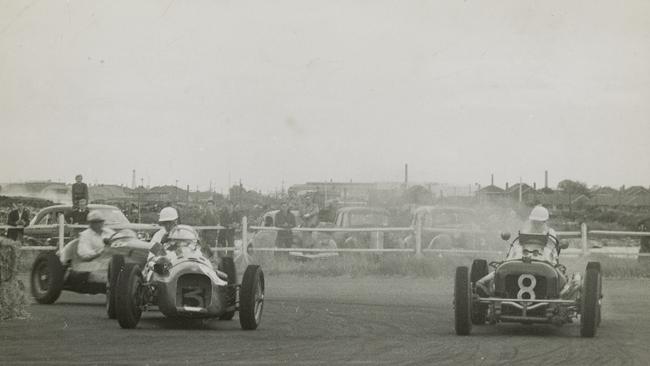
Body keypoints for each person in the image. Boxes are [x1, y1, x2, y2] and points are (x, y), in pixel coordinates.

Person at [476, 205, 559, 296]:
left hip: (546, 259)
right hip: (521, 257)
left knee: (558, 273)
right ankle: (483, 283)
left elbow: (552, 247)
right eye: (534, 221)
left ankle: (561, 291)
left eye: (539, 222)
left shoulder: (551, 232)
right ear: (531, 220)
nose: (536, 224)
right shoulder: (525, 229)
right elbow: (517, 244)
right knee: (504, 266)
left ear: (545, 221)